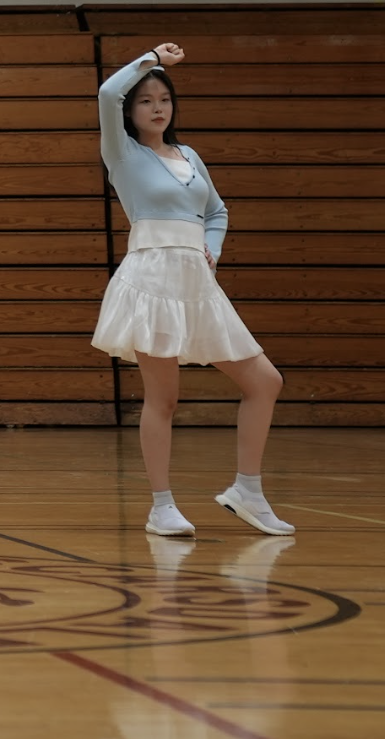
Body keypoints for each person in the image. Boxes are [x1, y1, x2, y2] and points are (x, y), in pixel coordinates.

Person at [92, 42, 290, 537]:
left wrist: (212, 249)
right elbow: (105, 91)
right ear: (131, 110)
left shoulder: (189, 155)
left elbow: (217, 212)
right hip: (150, 279)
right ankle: (161, 506)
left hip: (197, 282)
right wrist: (152, 58)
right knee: (164, 398)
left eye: (164, 99)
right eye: (146, 100)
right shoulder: (121, 152)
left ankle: (247, 489)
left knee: (265, 381)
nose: (157, 107)